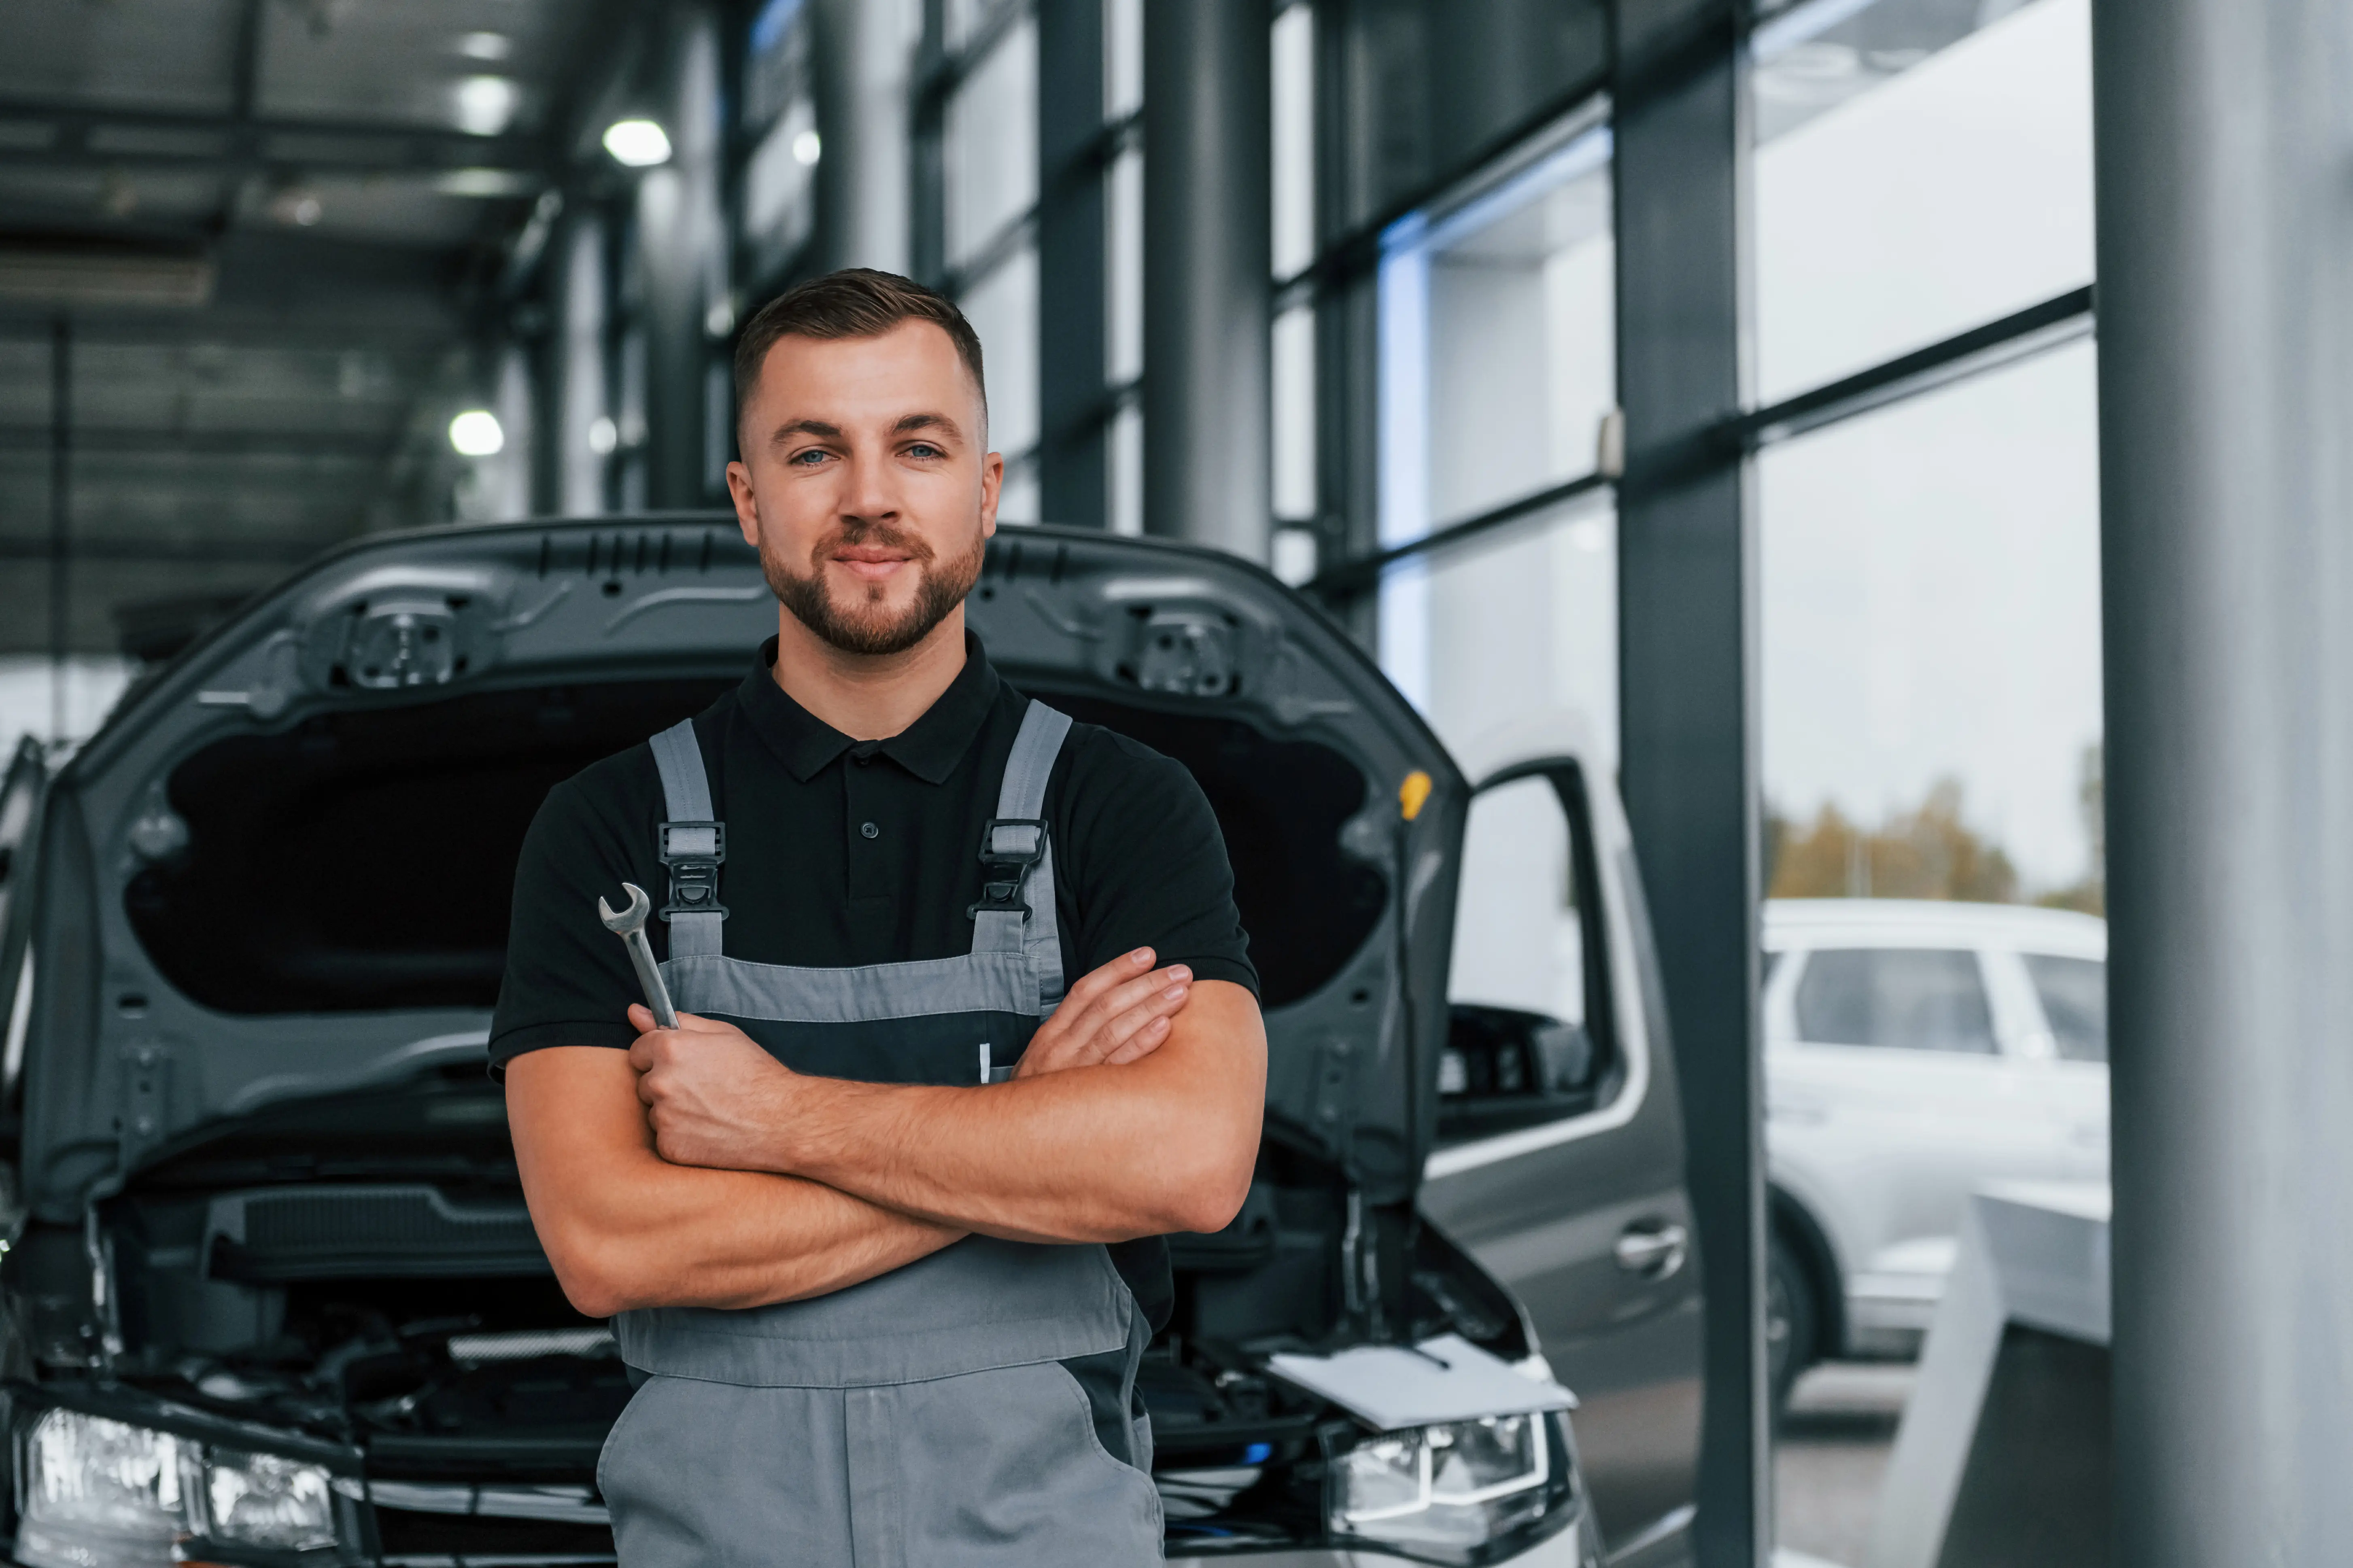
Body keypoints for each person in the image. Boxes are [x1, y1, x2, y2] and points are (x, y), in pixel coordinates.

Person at [491, 268, 1266, 1566]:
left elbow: (1186, 1165)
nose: (868, 497)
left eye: (917, 444)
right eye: (813, 450)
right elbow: (608, 1243)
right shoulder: (608, 823)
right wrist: (1030, 1125)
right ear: (748, 500)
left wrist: (778, 1119)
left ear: (986, 488)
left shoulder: (1121, 806)